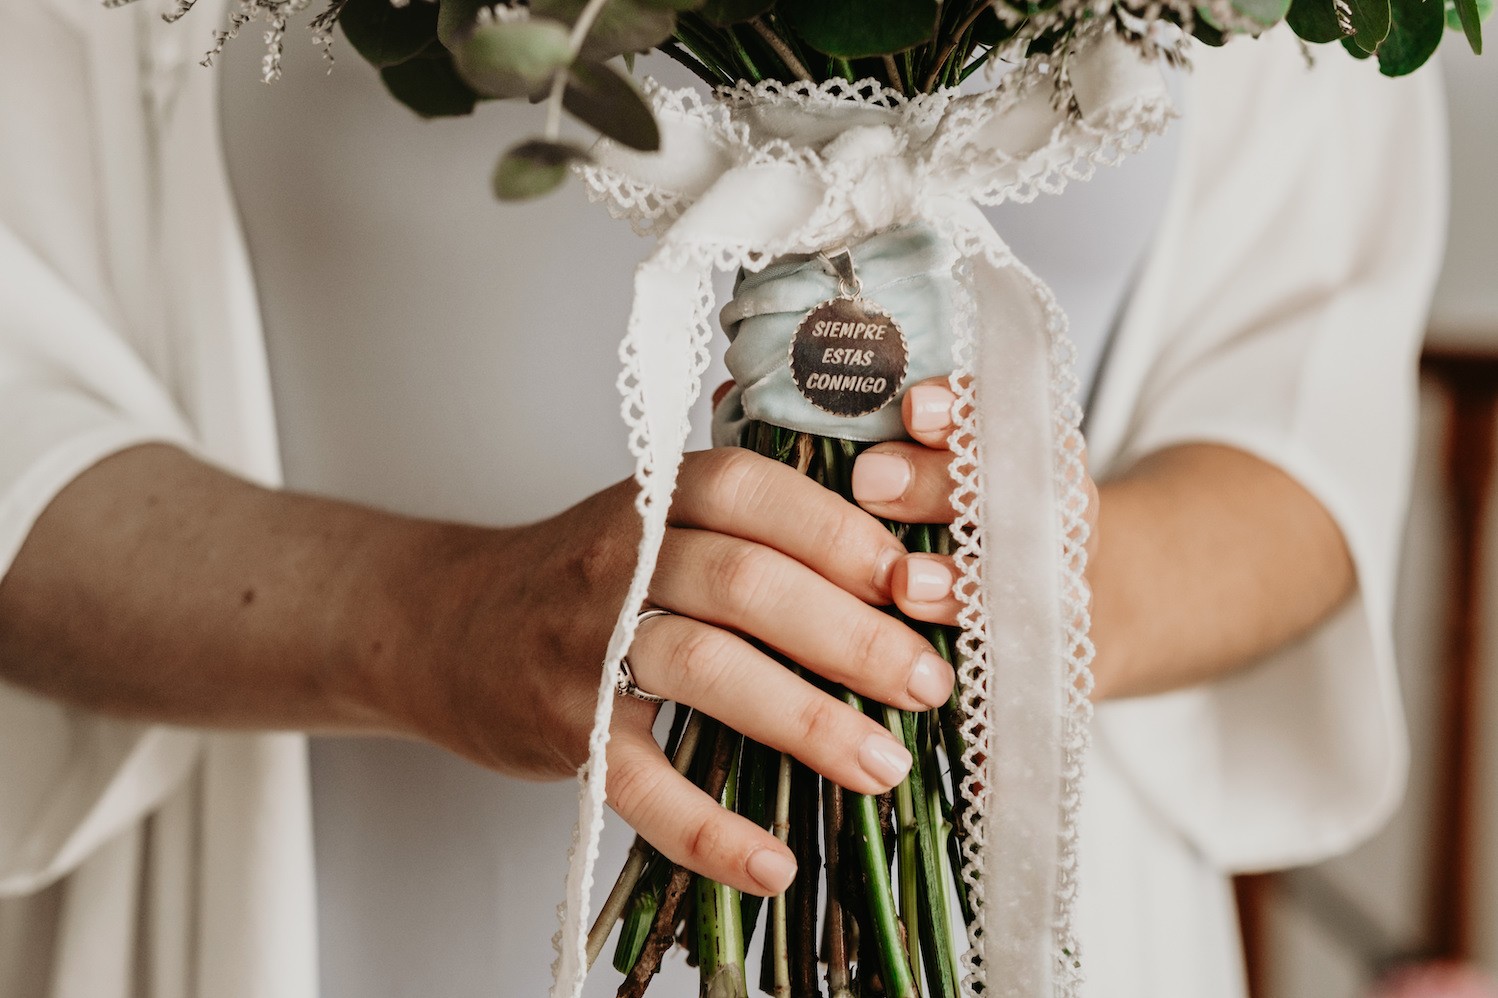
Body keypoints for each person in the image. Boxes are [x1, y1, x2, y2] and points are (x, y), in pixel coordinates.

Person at [0, 0, 1445, 996]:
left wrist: (974, 609)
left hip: (1023, 898)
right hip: (319, 910)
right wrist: (431, 623)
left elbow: (1299, 419)